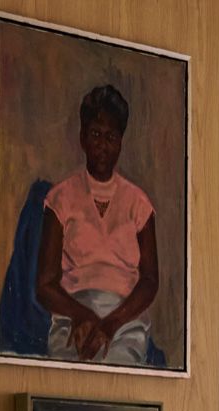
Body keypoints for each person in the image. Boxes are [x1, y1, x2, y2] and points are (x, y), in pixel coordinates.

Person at [33, 85, 163, 366]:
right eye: (95, 135)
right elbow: (44, 284)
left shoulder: (138, 203)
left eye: (111, 137)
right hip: (71, 315)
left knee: (118, 368)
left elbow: (150, 281)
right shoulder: (60, 198)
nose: (102, 145)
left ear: (121, 143)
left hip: (124, 319)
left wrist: (110, 324)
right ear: (82, 137)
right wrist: (83, 316)